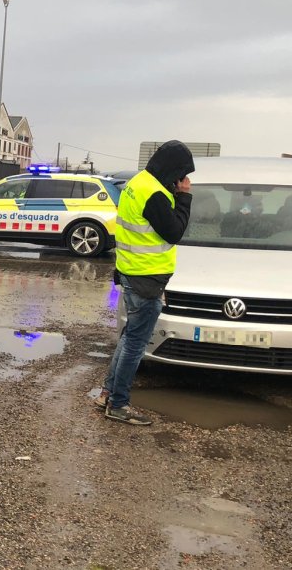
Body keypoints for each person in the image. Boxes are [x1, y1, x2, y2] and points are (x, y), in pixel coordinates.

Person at [95, 140, 195, 425]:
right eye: (182, 175)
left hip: (131, 272)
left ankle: (106, 394)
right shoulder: (155, 195)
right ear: (173, 171)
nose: (183, 181)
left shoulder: (138, 183)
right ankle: (118, 404)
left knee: (128, 338)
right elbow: (174, 232)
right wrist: (185, 197)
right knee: (135, 345)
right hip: (146, 279)